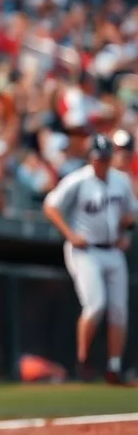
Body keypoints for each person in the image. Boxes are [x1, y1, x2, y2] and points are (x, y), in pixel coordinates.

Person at [44, 133, 137, 384]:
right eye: (98, 158)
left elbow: (132, 213)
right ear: (90, 158)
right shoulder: (78, 180)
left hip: (113, 250)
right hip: (86, 251)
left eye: (106, 158)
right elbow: (50, 205)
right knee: (96, 305)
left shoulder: (121, 181)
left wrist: (126, 234)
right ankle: (83, 361)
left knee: (119, 311)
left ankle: (114, 368)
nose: (102, 162)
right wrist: (69, 234)